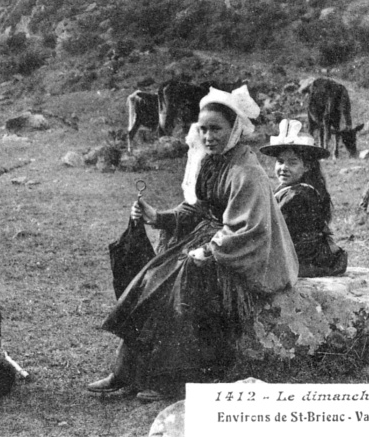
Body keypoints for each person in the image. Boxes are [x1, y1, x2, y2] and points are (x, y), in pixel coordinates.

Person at [87, 87, 299, 402]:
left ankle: (172, 379)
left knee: (177, 282)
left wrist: (210, 251)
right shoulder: (213, 161)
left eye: (216, 129)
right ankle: (127, 371)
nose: (208, 136)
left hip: (247, 257)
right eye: (203, 129)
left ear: (234, 130)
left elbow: (250, 229)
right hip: (210, 241)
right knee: (151, 276)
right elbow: (197, 210)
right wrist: (156, 216)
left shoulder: (247, 170)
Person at [260, 119, 347, 278]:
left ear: (306, 167)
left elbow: (270, 227)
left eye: (292, 163)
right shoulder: (287, 191)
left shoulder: (299, 195)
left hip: (303, 258)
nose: (284, 168)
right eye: (280, 162)